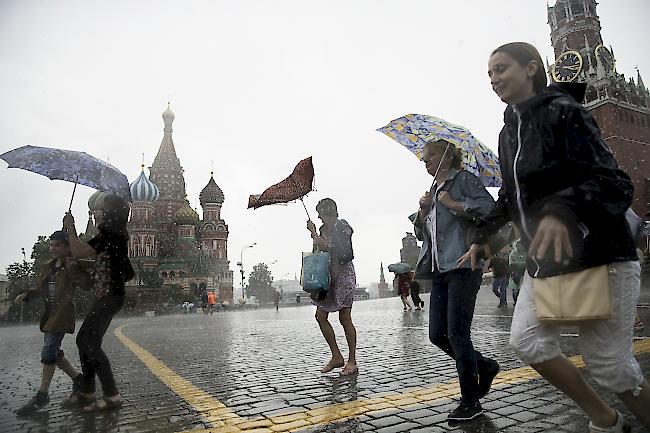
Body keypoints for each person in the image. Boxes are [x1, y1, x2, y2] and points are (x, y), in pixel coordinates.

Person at [461, 41, 650, 432]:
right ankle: (606, 418)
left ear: (532, 68)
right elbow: (512, 197)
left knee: (611, 366)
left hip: (599, 254)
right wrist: (484, 234)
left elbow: (613, 183)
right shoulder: (507, 130)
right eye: (489, 73)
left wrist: (562, 212)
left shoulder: (564, 111)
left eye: (501, 68)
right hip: (547, 259)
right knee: (527, 341)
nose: (494, 78)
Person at [413, 138, 500, 421]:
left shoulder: (462, 180)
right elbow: (420, 234)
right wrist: (424, 211)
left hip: (464, 265)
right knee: (438, 334)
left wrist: (454, 203)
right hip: (440, 270)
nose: (424, 161)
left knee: (458, 334)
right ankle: (483, 366)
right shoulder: (432, 190)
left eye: (430, 155)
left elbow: (490, 209)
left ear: (448, 156)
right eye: (424, 157)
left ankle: (470, 401)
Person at [62, 192, 134, 412]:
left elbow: (80, 250)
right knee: (85, 340)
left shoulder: (109, 235)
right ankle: (88, 390)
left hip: (110, 295)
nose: (96, 213)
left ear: (110, 214)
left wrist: (70, 229)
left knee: (89, 343)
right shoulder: (114, 236)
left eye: (101, 210)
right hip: (109, 294)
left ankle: (111, 395)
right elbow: (122, 269)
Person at [13, 230, 90, 415]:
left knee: (48, 350)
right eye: (52, 244)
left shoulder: (70, 265)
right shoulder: (50, 266)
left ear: (65, 247)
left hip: (62, 314)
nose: (53, 248)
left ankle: (43, 394)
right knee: (53, 351)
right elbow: (41, 287)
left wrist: (74, 268)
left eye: (57, 245)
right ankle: (80, 380)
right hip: (49, 313)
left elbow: (86, 284)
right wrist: (27, 295)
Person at [306, 198, 358, 376]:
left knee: (345, 318)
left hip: (343, 276)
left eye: (320, 213)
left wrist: (318, 238)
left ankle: (352, 360)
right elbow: (319, 250)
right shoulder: (322, 229)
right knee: (320, 316)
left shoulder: (342, 226)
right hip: (327, 277)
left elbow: (341, 250)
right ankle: (336, 356)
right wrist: (315, 235)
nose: (319, 217)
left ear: (328, 211)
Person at [508, 237, 527, 304]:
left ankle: (521, 301)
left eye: (520, 245)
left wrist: (517, 263)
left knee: (523, 288)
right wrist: (520, 263)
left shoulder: (525, 253)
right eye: (517, 245)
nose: (519, 246)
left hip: (524, 273)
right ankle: (515, 301)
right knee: (515, 288)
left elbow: (527, 262)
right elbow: (511, 263)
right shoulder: (512, 253)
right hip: (515, 273)